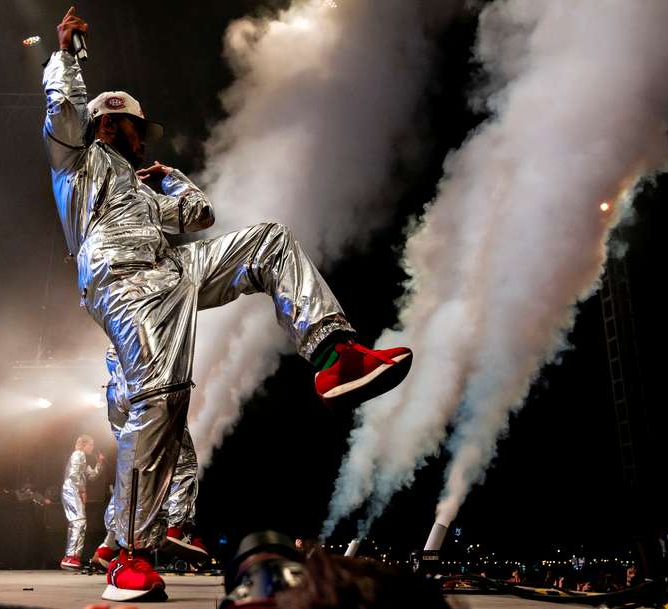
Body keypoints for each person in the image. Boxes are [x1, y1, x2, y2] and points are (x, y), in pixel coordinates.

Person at [43, 7, 412, 602]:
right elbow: (61, 113)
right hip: (122, 275)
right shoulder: (77, 166)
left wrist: (171, 179)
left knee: (266, 240)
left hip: (172, 269)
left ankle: (333, 352)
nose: (136, 137)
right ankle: (130, 554)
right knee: (161, 397)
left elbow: (200, 217)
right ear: (116, 126)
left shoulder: (147, 189)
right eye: (132, 128)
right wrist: (70, 57)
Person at [91, 347, 208, 570]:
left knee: (130, 469)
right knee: (182, 463)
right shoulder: (159, 311)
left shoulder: (116, 310)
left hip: (116, 391)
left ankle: (108, 545)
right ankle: (177, 528)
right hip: (150, 386)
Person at [60, 435, 104, 570]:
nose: (93, 448)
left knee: (80, 522)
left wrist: (99, 464)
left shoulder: (82, 458)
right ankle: (70, 556)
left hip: (74, 490)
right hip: (71, 491)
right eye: (91, 445)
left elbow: (92, 475)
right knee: (78, 522)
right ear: (84, 445)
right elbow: (73, 475)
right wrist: (82, 490)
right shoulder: (78, 454)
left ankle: (74, 556)